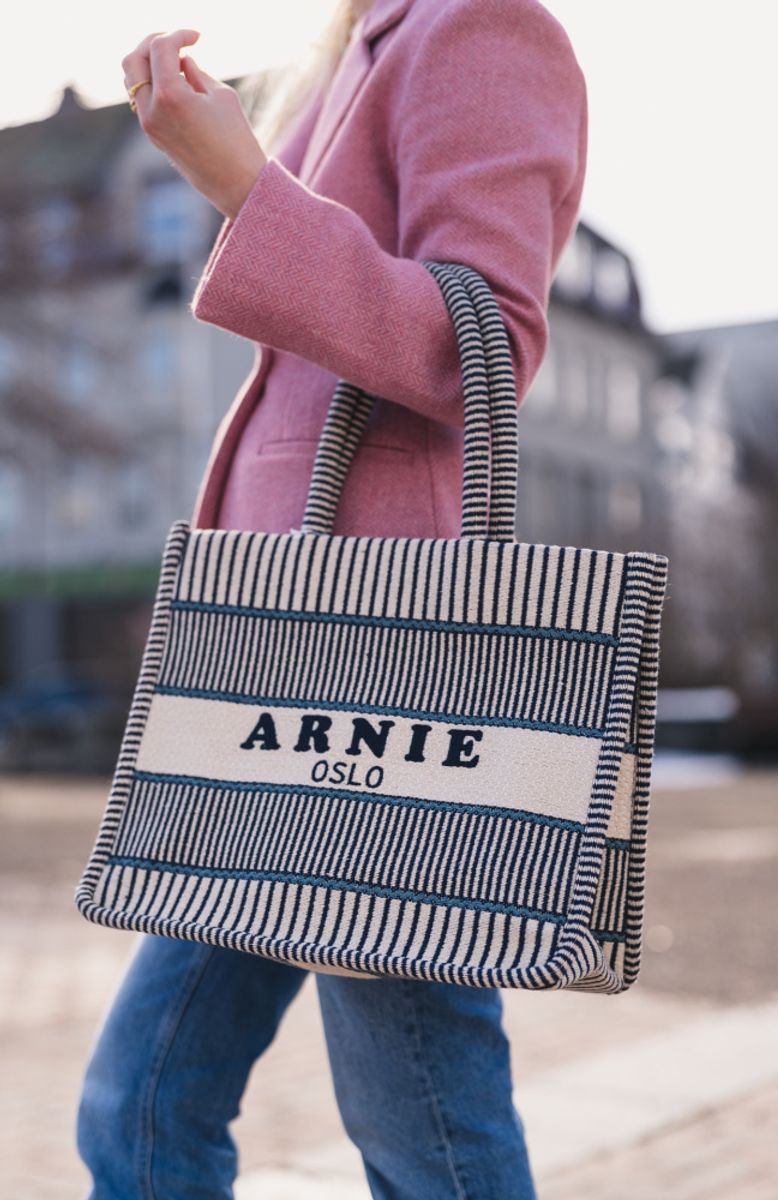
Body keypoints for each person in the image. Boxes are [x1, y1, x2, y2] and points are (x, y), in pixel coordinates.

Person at [77, 2, 588, 1196]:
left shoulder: (478, 25)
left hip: (380, 675)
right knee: (138, 1104)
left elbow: (477, 342)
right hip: (273, 660)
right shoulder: (357, 41)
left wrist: (244, 188)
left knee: (421, 1130)